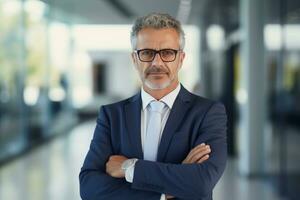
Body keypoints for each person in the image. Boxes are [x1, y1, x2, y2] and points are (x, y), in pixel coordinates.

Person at [79, 12, 227, 200]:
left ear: (181, 59)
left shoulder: (208, 113)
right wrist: (167, 191)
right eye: (147, 53)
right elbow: (89, 188)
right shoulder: (111, 115)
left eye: (167, 53)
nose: (157, 63)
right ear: (134, 59)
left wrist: (130, 168)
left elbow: (201, 183)